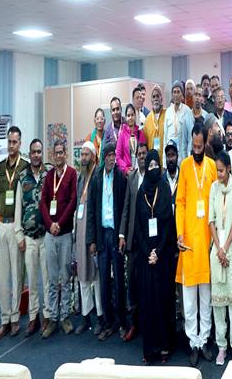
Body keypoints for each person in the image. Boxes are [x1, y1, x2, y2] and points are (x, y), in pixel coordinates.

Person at [175, 123, 217, 366]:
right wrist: (180, 234)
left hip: (208, 241)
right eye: (195, 146)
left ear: (205, 144)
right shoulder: (184, 166)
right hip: (189, 242)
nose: (197, 150)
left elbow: (218, 202)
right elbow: (180, 202)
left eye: (201, 147)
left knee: (206, 296)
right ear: (191, 143)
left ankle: (204, 341)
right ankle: (192, 342)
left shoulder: (212, 166)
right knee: (189, 298)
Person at [132, 150, 177, 364]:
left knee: (163, 301)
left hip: (163, 255)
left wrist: (157, 251)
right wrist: (147, 252)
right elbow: (138, 227)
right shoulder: (141, 192)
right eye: (150, 166)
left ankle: (165, 345)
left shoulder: (164, 188)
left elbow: (168, 224)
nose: (153, 169)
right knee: (148, 303)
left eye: (156, 165)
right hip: (146, 258)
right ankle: (150, 348)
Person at [0, 127, 28, 339]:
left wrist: (23, 231)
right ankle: (5, 319)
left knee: (17, 274)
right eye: (9, 141)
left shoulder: (25, 167)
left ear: (20, 143)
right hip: (0, 225)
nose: (11, 145)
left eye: (15, 142)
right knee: (2, 276)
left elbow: (28, 201)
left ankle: (15, 318)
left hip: (16, 227)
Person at [86, 143, 128, 341]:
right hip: (102, 236)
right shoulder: (96, 179)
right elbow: (91, 211)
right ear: (104, 157)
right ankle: (107, 321)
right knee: (103, 281)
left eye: (114, 155)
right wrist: (91, 240)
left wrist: (122, 235)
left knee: (119, 280)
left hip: (116, 235)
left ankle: (122, 322)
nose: (112, 158)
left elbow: (125, 209)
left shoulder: (121, 178)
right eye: (109, 155)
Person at [39, 140, 78, 338]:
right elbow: (43, 203)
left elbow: (73, 201)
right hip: (50, 235)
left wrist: (59, 224)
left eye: (62, 152)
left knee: (65, 277)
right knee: (52, 279)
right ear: (53, 155)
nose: (59, 155)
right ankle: (53, 318)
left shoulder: (71, 174)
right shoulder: (49, 176)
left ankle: (65, 317)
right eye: (56, 153)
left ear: (66, 154)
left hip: (65, 234)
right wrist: (50, 224)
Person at [207, 151, 232, 365]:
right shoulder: (213, 188)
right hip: (217, 248)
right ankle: (221, 347)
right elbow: (210, 220)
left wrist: (226, 248)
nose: (219, 174)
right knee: (219, 303)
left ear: (229, 168)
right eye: (217, 171)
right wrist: (218, 249)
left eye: (221, 170)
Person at [13, 138, 50, 337]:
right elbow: (18, 208)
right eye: (34, 152)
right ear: (30, 154)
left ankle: (47, 315)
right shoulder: (22, 177)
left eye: (39, 152)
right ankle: (33, 317)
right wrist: (18, 234)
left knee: (47, 278)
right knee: (33, 280)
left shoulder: (48, 175)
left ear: (42, 153)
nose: (36, 155)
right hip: (29, 238)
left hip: (45, 236)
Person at [118, 142, 148, 342]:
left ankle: (147, 323)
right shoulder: (131, 178)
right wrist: (122, 235)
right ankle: (134, 323)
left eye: (145, 153)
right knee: (132, 284)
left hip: (148, 241)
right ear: (136, 156)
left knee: (147, 283)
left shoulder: (154, 177)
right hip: (132, 241)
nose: (142, 156)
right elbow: (126, 208)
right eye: (140, 154)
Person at [73, 141, 104, 336]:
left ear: (93, 156)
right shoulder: (80, 178)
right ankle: (85, 316)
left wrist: (94, 239)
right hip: (80, 233)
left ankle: (100, 316)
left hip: (93, 236)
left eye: (86, 155)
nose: (83, 158)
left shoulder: (98, 177)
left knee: (96, 278)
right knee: (83, 276)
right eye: (82, 155)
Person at [116, 103, 146, 175]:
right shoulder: (122, 134)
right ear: (126, 117)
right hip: (127, 174)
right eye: (128, 115)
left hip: (140, 172)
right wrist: (126, 170)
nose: (130, 117)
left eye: (132, 115)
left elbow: (145, 153)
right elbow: (118, 157)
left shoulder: (140, 133)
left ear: (135, 116)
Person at [165, 80, 190, 164]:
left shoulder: (187, 111)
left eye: (178, 92)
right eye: (174, 92)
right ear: (172, 94)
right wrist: (164, 161)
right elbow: (165, 136)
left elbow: (189, 138)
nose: (176, 95)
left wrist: (188, 157)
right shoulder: (168, 111)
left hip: (182, 156)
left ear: (182, 94)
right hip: (170, 155)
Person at [144, 85, 166, 158]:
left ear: (161, 98)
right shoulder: (147, 119)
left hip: (165, 158)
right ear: (151, 100)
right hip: (152, 160)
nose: (156, 99)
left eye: (157, 96)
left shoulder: (167, 114)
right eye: (153, 97)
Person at [163, 141, 180, 213]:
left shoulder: (183, 177)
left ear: (177, 156)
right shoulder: (161, 180)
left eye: (173, 155)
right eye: (168, 155)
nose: (170, 159)